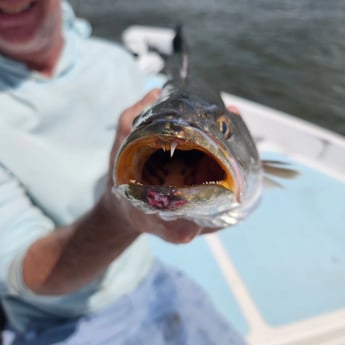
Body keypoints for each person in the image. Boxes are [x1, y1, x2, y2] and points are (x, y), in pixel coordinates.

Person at [0, 1, 247, 344]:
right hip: (62, 324)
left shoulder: (115, 61)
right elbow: (22, 272)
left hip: (152, 277)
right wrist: (121, 216)